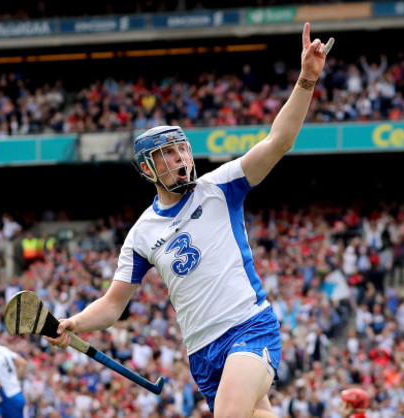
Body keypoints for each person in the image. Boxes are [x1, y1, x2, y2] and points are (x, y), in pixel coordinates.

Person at [47, 22, 330, 418]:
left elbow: (278, 141)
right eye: (168, 155)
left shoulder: (220, 186)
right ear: (148, 169)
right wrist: (72, 323)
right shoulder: (141, 234)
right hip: (202, 353)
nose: (180, 159)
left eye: (181, 150)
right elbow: (113, 307)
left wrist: (305, 80)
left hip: (248, 327)